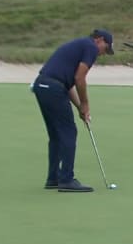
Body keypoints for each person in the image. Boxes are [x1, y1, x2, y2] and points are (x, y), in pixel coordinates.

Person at [32, 29, 114, 192]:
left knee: (56, 134)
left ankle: (53, 178)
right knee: (69, 132)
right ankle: (66, 179)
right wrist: (85, 104)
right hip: (54, 88)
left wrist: (80, 109)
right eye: (106, 48)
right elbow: (79, 78)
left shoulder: (79, 45)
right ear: (99, 40)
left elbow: (67, 85)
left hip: (42, 85)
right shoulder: (90, 47)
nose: (103, 54)